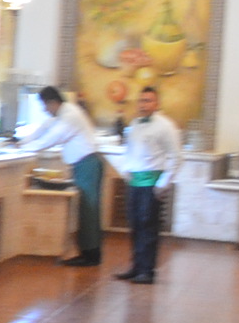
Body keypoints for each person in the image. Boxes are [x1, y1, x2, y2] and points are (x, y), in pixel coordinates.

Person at [21, 86, 104, 267]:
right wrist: (22, 142)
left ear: (53, 102)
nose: (45, 110)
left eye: (45, 106)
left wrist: (26, 149)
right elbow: (44, 128)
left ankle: (91, 256)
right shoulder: (63, 113)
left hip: (87, 164)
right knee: (85, 209)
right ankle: (87, 252)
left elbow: (53, 138)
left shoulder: (70, 115)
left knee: (88, 210)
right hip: (83, 164)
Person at [113, 85, 183, 284]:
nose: (143, 104)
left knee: (148, 227)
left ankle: (147, 271)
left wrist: (164, 182)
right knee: (135, 225)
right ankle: (136, 267)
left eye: (148, 101)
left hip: (152, 182)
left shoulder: (166, 126)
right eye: (141, 100)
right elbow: (129, 151)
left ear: (156, 103)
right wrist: (126, 171)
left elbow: (176, 157)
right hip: (134, 182)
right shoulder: (135, 124)